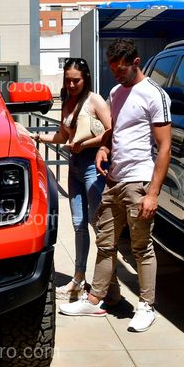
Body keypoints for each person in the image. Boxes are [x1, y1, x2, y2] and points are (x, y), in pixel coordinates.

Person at [59, 39, 172, 333]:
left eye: (121, 69)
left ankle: (147, 306)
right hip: (114, 179)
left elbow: (164, 147)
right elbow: (114, 129)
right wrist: (104, 149)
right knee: (105, 243)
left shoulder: (154, 95)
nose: (116, 75)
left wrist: (153, 194)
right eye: (112, 70)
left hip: (140, 180)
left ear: (135, 62)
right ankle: (96, 297)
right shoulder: (115, 92)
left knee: (140, 247)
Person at [34, 58, 115, 301]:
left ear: (86, 78)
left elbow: (111, 132)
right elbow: (61, 136)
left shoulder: (95, 100)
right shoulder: (68, 102)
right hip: (75, 168)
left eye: (75, 80)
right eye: (67, 80)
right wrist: (35, 137)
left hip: (93, 165)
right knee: (79, 225)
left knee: (99, 226)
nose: (71, 84)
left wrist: (83, 144)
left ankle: (108, 285)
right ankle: (78, 279)